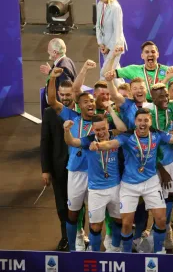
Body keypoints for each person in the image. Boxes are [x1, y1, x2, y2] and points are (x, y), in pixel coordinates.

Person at [90, 108, 173, 254]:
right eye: (139, 120)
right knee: (126, 224)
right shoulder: (127, 136)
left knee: (161, 219)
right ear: (135, 122)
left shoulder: (157, 134)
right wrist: (99, 146)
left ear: (150, 121)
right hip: (129, 184)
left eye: (146, 120)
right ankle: (126, 255)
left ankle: (158, 253)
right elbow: (111, 144)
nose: (143, 123)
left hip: (150, 182)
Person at [46, 68, 96, 252]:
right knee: (73, 212)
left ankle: (95, 245)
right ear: (78, 105)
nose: (90, 103)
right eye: (86, 101)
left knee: (95, 212)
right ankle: (75, 245)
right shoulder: (70, 116)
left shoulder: (100, 120)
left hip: (95, 172)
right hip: (75, 171)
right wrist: (52, 78)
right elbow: (52, 101)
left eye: (92, 101)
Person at [63, 112, 127, 252]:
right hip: (96, 190)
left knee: (119, 220)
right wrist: (67, 131)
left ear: (107, 126)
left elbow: (122, 134)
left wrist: (99, 146)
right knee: (95, 226)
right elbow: (71, 142)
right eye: (97, 129)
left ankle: (115, 249)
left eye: (103, 128)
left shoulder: (116, 138)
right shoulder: (88, 141)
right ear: (93, 129)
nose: (101, 132)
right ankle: (95, 254)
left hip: (115, 187)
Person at [146, 83, 173, 250]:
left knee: (170, 197)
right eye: (160, 96)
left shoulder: (172, 107)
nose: (165, 99)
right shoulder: (147, 115)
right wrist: (160, 168)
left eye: (166, 95)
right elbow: (147, 145)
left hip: (171, 161)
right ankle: (157, 229)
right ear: (152, 98)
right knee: (156, 199)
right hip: (154, 165)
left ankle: (165, 228)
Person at [40, 80, 77, 251]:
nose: (64, 98)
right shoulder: (49, 113)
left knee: (79, 203)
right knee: (62, 204)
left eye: (68, 95)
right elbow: (45, 142)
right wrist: (46, 170)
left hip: (80, 167)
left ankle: (80, 236)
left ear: (74, 94)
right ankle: (66, 237)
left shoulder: (82, 112)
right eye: (61, 94)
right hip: (59, 167)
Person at [105, 43, 173, 102]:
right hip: (141, 108)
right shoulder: (134, 69)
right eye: (147, 52)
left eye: (153, 52)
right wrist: (113, 56)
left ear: (157, 54)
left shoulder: (167, 71)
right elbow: (108, 74)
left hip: (162, 105)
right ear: (142, 56)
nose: (150, 54)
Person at [39, 38, 77, 115]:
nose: (47, 51)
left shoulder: (62, 67)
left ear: (54, 52)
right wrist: (51, 72)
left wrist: (50, 72)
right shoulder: (66, 60)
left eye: (49, 49)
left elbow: (65, 92)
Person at [96, 0, 127, 82]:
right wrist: (100, 42)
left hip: (115, 45)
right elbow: (98, 25)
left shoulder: (116, 8)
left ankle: (102, 90)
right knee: (113, 71)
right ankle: (122, 92)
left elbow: (117, 31)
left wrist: (109, 47)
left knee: (106, 72)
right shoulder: (100, 4)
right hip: (104, 43)